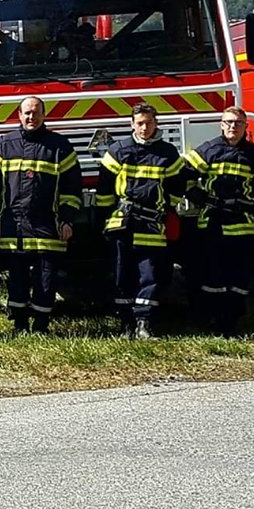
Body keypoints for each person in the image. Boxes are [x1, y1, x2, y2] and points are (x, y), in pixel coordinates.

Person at [0, 97, 80, 334]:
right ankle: (19, 323)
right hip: (13, 224)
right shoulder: (4, 145)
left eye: (36, 113)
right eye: (27, 113)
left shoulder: (60, 147)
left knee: (46, 278)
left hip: (49, 222)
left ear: (44, 115)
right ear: (19, 115)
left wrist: (67, 219)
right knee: (16, 277)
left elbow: (71, 189)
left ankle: (41, 324)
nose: (31, 117)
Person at [181, 106, 254, 335]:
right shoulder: (209, 150)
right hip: (213, 221)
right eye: (229, 122)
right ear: (221, 125)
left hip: (244, 223)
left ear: (245, 127)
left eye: (238, 123)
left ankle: (234, 319)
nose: (233, 127)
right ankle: (214, 318)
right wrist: (197, 196)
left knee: (240, 274)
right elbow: (183, 175)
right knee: (214, 274)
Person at [98, 104, 186, 339]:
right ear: (131, 124)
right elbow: (105, 188)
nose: (144, 127)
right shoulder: (118, 150)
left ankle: (144, 323)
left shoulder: (167, 153)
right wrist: (105, 216)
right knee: (121, 274)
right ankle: (126, 324)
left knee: (150, 274)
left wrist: (165, 207)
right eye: (140, 123)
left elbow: (177, 187)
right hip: (123, 221)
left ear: (156, 123)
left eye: (148, 122)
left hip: (152, 222)